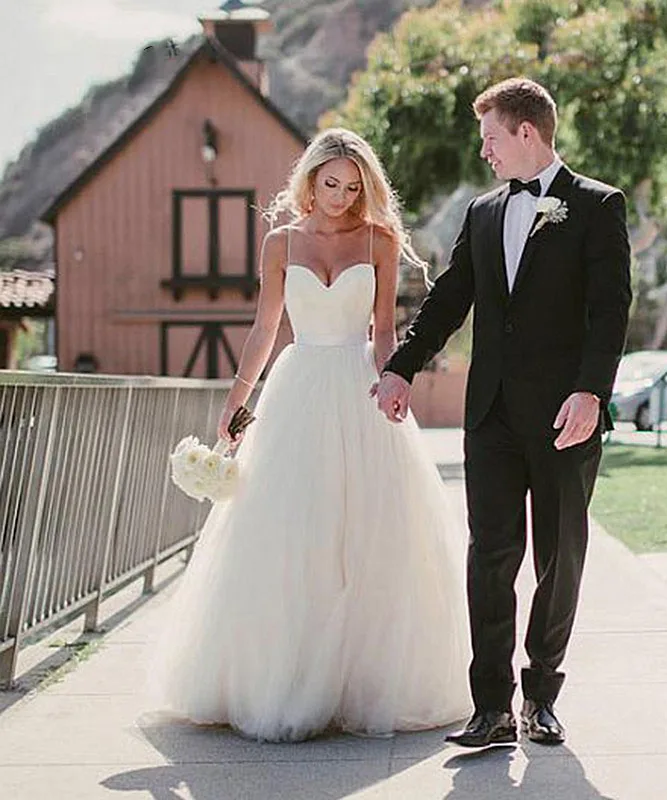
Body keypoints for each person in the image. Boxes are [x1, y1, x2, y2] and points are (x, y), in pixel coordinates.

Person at [149, 128, 471, 742]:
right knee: (291, 531)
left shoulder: (380, 239)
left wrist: (391, 381)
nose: (342, 197)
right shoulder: (279, 242)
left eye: (353, 188)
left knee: (365, 534)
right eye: (332, 185)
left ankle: (356, 682)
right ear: (310, 180)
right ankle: (284, 678)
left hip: (358, 386)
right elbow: (265, 328)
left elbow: (382, 330)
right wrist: (236, 403)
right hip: (296, 391)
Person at [373, 78, 632, 747]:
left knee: (559, 554)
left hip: (564, 415)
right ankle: (489, 707)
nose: (484, 151)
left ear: (527, 133)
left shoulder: (598, 206)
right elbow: (451, 296)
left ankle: (541, 695)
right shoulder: (484, 213)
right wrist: (402, 364)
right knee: (489, 555)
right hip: (488, 414)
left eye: (491, 137)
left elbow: (610, 311)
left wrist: (591, 391)